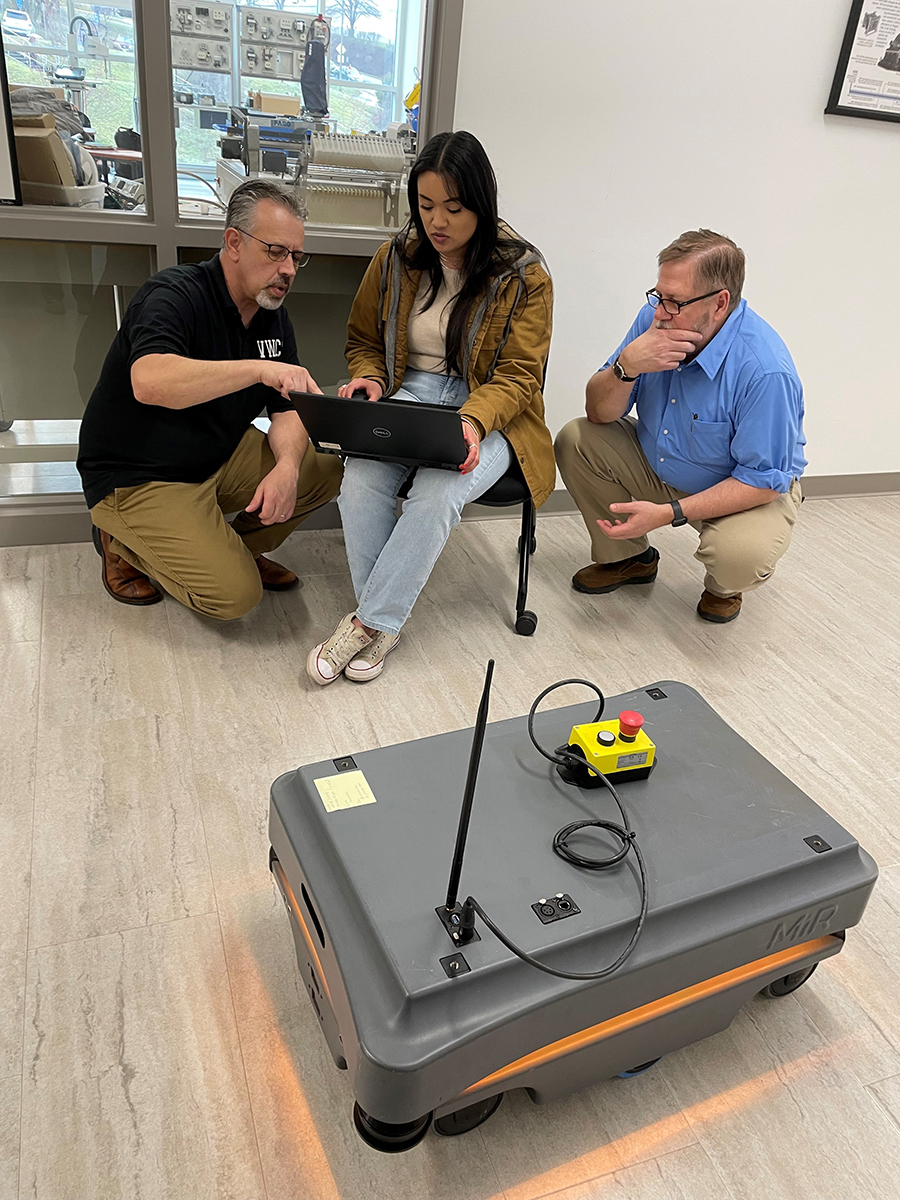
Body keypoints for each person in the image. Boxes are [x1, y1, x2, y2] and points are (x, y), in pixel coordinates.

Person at [306, 130, 555, 685]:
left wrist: (471, 420)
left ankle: (368, 623)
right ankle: (381, 624)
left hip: (490, 410)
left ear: (481, 205)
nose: (436, 222)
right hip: (410, 392)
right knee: (362, 480)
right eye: (425, 206)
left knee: (439, 491)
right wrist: (369, 378)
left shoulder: (524, 275)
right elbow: (363, 339)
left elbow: (519, 375)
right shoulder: (395, 257)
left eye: (453, 208)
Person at [77, 178, 342, 619]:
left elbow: (286, 409)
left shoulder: (272, 315)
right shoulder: (175, 295)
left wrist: (288, 468)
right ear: (233, 243)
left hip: (215, 456)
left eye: (297, 256)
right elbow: (150, 381)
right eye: (276, 252)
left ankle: (229, 548)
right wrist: (258, 369)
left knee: (323, 467)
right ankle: (119, 543)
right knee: (236, 596)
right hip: (140, 473)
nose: (289, 269)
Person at [554, 229, 806, 624]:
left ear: (720, 302)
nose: (659, 313)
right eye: (658, 297)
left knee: (739, 557)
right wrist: (626, 367)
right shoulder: (655, 322)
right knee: (577, 439)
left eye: (674, 302)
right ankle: (630, 559)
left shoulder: (764, 370)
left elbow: (761, 481)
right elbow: (600, 413)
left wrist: (669, 512)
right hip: (662, 462)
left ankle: (725, 587)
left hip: (743, 490)